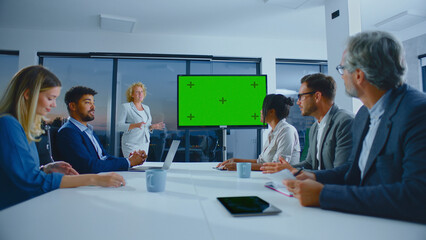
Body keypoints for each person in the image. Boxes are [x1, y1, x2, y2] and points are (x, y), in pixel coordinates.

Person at [284, 31, 426, 223]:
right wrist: (313, 177)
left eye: (343, 69)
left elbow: (417, 196)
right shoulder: (364, 115)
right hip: (362, 221)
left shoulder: (417, 112)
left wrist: (325, 195)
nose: (341, 77)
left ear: (358, 75)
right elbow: (353, 170)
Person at [0, 66, 126, 210]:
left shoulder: (20, 127)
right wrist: (95, 179)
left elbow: (19, 173)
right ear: (28, 94)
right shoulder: (7, 124)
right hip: (13, 212)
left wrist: (46, 169)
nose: (54, 105)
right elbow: (30, 181)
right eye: (50, 98)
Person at [261, 73, 353, 173]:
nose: (298, 102)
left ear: (317, 96)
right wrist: (287, 170)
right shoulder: (315, 128)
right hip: (315, 185)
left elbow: (340, 173)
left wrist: (296, 172)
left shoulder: (344, 122)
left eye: (301, 97)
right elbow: (309, 164)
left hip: (329, 187)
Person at [55, 86, 147, 174]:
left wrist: (129, 159)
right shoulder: (68, 132)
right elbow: (88, 167)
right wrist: (128, 162)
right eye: (88, 103)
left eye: (93, 103)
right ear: (73, 106)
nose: (93, 107)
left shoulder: (88, 131)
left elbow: (104, 158)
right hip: (86, 186)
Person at [216, 94, 300, 171]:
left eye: (263, 108)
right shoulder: (272, 133)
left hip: (284, 183)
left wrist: (239, 166)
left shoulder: (287, 131)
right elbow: (260, 162)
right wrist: (235, 160)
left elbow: (277, 166)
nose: (260, 111)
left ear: (272, 111)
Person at [117, 82, 165, 158]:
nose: (140, 94)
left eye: (142, 91)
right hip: (131, 144)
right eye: (137, 92)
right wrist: (135, 125)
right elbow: (118, 126)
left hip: (144, 144)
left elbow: (145, 126)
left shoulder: (146, 108)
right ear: (132, 94)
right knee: (132, 167)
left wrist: (152, 127)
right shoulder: (126, 107)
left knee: (141, 167)